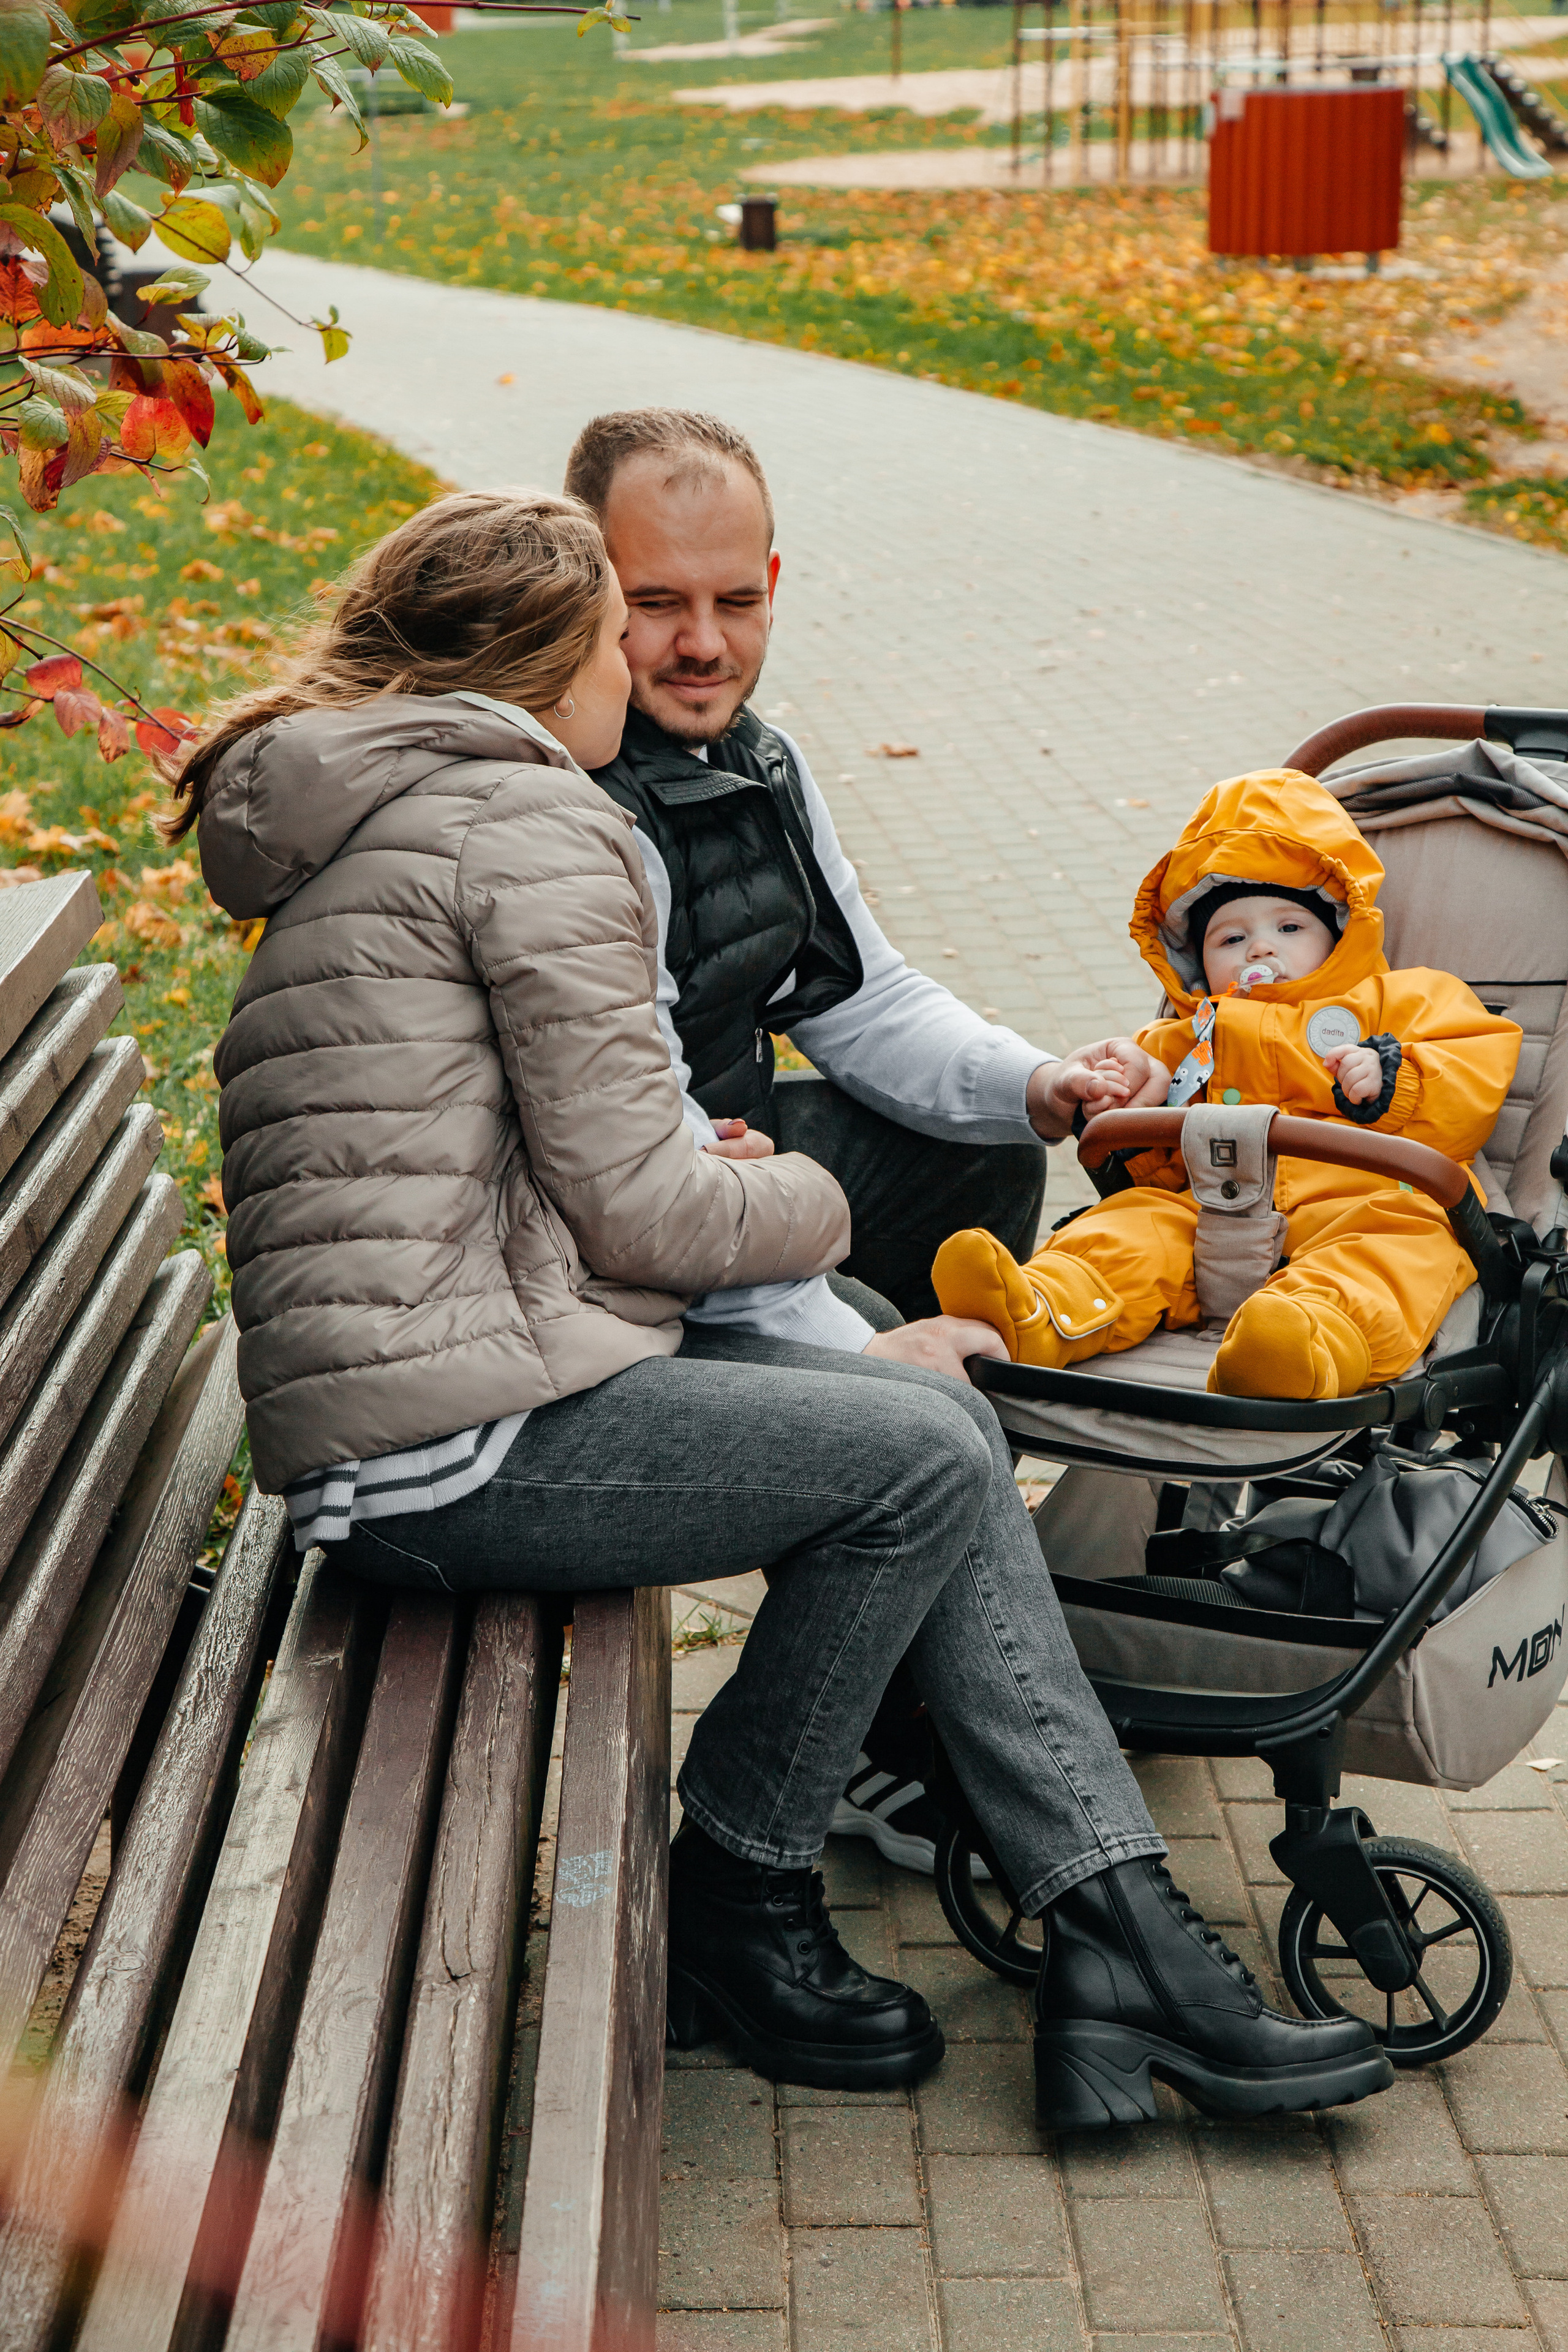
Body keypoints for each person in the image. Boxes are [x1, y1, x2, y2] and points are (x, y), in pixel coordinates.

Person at [173, 490, 1390, 2128]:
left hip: (422, 1405)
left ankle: (1109, 1943)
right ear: (556, 662)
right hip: (448, 1444)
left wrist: (699, 1158)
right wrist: (793, 1205)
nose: (647, 662)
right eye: (622, 629)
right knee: (928, 1453)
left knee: (928, 1431)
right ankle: (797, 1899)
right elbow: (646, 1213)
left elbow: (508, 1157)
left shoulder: (411, 809)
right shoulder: (529, 824)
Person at [561, 405, 1168, 1871]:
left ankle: (906, 1660)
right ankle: (897, 1671)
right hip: (610, 1256)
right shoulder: (569, 805)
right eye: (655, 605)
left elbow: (863, 996)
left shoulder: (755, 764)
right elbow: (627, 1183)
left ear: (772, 578)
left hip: (719, 1170)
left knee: (977, 1152)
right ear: (585, 590)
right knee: (899, 1351)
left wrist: (1039, 1084)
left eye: (735, 600)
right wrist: (849, 1352)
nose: (703, 643)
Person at [935, 767, 1522, 1397]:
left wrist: (1391, 1076)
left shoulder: (1404, 999)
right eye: (1231, 936)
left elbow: (1474, 1072)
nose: (1258, 950)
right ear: (1195, 958)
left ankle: (1305, 1344)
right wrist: (1133, 1091)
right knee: (1131, 1227)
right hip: (1207, 1208)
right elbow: (1144, 1156)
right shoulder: (1186, 1035)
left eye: (1289, 928)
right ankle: (1041, 1307)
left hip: (1361, 1201)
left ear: (1337, 935)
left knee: (1399, 1252)